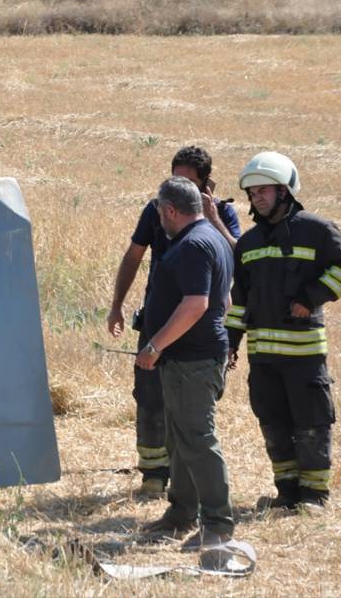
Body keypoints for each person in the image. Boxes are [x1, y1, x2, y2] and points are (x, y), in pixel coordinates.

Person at [226, 152, 341, 511]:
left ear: (285, 191)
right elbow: (239, 299)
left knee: (311, 423)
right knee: (273, 425)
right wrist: (231, 342)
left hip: (303, 356)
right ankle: (287, 495)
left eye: (264, 190)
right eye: (252, 192)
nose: (257, 197)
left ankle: (315, 497)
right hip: (263, 357)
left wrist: (311, 297)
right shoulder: (249, 244)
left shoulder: (316, 230)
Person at [107, 146, 240, 496]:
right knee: (151, 399)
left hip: (196, 334)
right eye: (174, 180)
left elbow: (239, 261)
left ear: (206, 185)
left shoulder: (219, 218)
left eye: (189, 183)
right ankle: (154, 476)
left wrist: (212, 219)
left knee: (191, 416)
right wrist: (117, 305)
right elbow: (133, 256)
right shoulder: (157, 210)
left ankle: (200, 499)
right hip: (158, 321)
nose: (179, 190)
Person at [135, 177, 235, 551]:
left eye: (160, 211)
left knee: (197, 439)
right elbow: (223, 300)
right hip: (186, 359)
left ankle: (218, 524)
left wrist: (155, 345)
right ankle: (181, 514)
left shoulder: (193, 244)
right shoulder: (210, 238)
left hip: (192, 361)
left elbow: (197, 304)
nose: (159, 218)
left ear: (170, 210)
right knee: (179, 439)